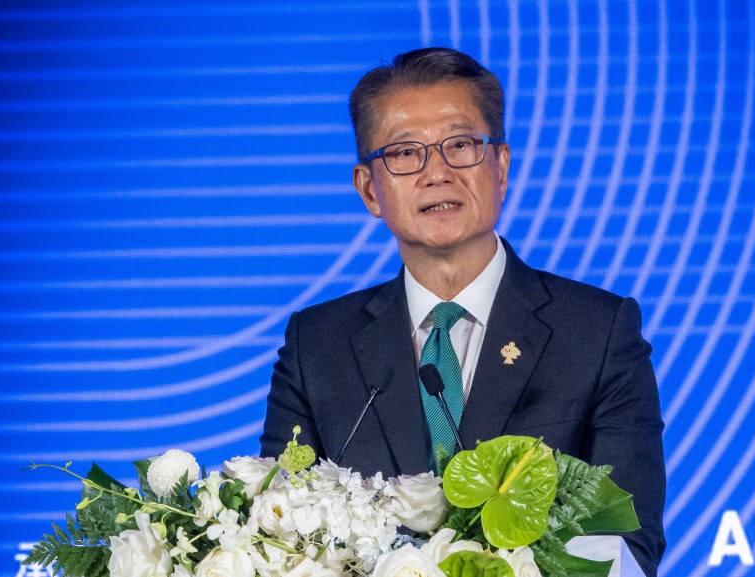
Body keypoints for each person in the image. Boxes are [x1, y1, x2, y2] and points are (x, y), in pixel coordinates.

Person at [261, 47, 666, 576]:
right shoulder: (317, 346)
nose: (437, 173)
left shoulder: (596, 332)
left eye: (460, 145)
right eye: (405, 152)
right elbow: (276, 537)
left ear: (501, 166)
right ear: (369, 189)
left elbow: (627, 542)